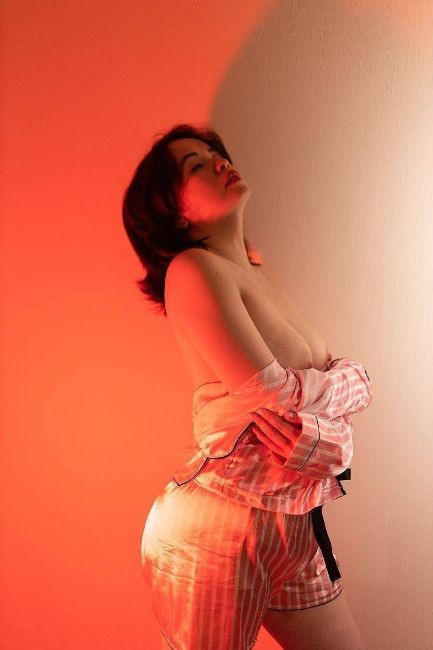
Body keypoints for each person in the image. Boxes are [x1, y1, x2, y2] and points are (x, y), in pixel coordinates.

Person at [122, 123, 366, 649]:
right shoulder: (192, 268)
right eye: (195, 165)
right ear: (172, 212)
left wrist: (350, 391)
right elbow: (274, 397)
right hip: (220, 528)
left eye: (214, 152)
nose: (218, 161)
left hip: (295, 522)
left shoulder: (254, 271)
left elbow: (322, 384)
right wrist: (344, 422)